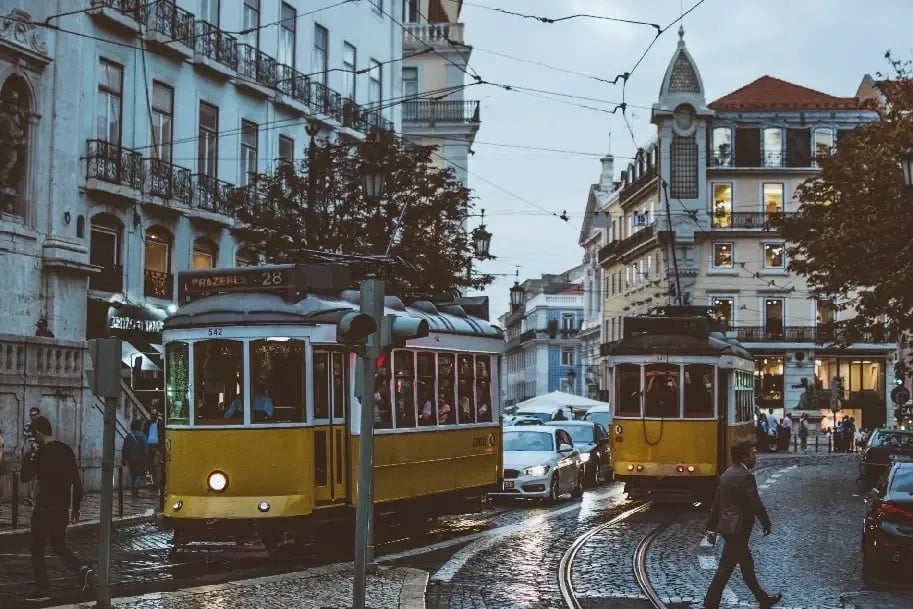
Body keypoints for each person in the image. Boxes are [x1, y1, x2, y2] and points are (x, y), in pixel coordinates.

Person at [20, 416, 94, 602]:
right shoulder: (67, 451)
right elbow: (77, 483)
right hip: (62, 508)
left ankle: (42, 589)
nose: (33, 439)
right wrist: (76, 508)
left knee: (37, 548)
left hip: (44, 508)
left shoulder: (41, 453)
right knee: (58, 545)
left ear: (37, 433)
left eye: (33, 436)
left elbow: (25, 476)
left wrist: (29, 455)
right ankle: (82, 569)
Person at [702, 439, 782, 609]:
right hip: (739, 528)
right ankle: (710, 603)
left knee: (747, 566)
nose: (756, 457)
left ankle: (763, 599)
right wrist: (766, 523)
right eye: (753, 453)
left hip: (729, 528)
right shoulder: (745, 477)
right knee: (725, 569)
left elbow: (717, 503)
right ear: (745, 457)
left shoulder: (726, 474)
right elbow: (755, 503)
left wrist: (711, 527)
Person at [121, 419, 148, 500]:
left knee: (133, 474)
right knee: (139, 474)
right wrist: (146, 458)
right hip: (140, 459)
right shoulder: (142, 435)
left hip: (131, 459)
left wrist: (124, 459)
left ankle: (134, 488)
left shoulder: (129, 435)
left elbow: (124, 448)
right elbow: (145, 449)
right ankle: (135, 489)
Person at [142, 406, 165, 488]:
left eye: (155, 414)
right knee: (148, 464)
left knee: (156, 464)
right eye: (152, 414)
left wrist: (161, 445)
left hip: (157, 446)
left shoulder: (161, 423)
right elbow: (144, 433)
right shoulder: (148, 423)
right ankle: (151, 483)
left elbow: (163, 434)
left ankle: (158, 483)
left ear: (157, 414)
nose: (153, 416)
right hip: (148, 446)